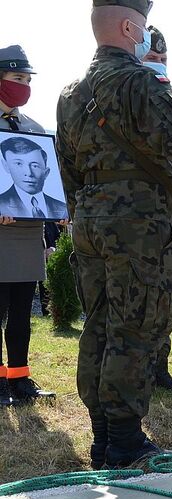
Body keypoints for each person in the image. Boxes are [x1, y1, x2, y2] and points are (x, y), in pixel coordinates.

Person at [56, 0, 172, 468]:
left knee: (100, 325)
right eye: (143, 27)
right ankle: (126, 443)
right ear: (131, 27)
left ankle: (103, 436)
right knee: (138, 327)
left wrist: (85, 210)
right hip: (141, 227)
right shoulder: (142, 81)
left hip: (89, 223)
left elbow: (67, 169)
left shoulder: (70, 93)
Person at [0, 45, 56, 406]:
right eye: (17, 78)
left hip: (26, 233)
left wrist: (57, 210)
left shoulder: (34, 128)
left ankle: (20, 377)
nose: (24, 85)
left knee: (22, 310)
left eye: (27, 79)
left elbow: (49, 181)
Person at [140, 24, 172, 392]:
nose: (158, 65)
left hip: (171, 221)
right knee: (135, 302)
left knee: (165, 298)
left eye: (163, 59)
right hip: (137, 221)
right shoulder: (119, 99)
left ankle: (160, 366)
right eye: (151, 59)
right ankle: (137, 370)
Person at [0, 136, 68, 220]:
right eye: (18, 164)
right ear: (6, 166)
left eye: (35, 165)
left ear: (46, 172)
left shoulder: (63, 208)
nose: (28, 173)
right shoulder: (2, 204)